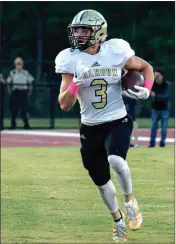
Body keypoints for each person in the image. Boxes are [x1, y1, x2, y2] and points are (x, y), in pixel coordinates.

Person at [55, 9, 154, 241]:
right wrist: (75, 84)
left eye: (84, 30)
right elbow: (64, 105)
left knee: (116, 159)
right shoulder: (69, 58)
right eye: (76, 30)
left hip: (117, 118)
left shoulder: (116, 50)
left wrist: (147, 89)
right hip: (90, 125)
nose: (78, 34)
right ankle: (118, 220)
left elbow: (145, 67)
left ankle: (130, 202)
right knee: (101, 182)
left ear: (99, 32)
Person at [7, 57, 34, 129]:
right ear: (15, 64)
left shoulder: (25, 72)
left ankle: (26, 125)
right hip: (15, 92)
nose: (19, 65)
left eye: (20, 64)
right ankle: (13, 125)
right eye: (17, 64)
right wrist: (10, 92)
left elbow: (30, 82)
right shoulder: (12, 72)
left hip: (23, 92)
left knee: (24, 110)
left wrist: (29, 91)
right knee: (14, 110)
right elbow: (9, 83)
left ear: (22, 64)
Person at [148, 69, 170, 147]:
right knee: (153, 126)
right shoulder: (153, 85)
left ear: (162, 76)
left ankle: (162, 143)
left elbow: (165, 96)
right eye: (155, 76)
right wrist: (156, 96)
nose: (156, 78)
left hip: (164, 109)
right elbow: (151, 95)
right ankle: (152, 144)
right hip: (155, 109)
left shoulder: (166, 85)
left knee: (164, 127)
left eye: (157, 76)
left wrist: (156, 96)